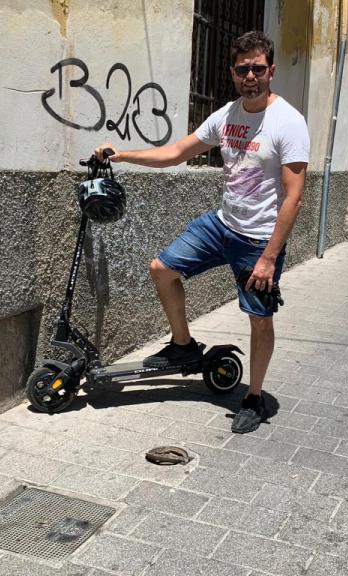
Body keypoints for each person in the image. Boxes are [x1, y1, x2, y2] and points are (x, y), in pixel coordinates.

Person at [94, 31, 309, 434]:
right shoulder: (226, 116)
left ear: (271, 71)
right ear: (233, 73)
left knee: (258, 319)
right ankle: (183, 346)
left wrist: (267, 257)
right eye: (243, 69)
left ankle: (254, 397)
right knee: (162, 269)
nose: (250, 76)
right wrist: (121, 154)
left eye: (258, 68)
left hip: (259, 239)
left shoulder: (288, 122)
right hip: (221, 225)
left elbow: (294, 197)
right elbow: (175, 153)